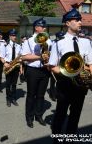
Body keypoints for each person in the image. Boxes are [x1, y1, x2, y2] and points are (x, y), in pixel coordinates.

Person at [48, 8, 92, 143]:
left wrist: (88, 75)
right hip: (65, 85)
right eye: (76, 20)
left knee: (75, 115)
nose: (80, 22)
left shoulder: (86, 42)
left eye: (80, 20)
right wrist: (67, 71)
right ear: (67, 23)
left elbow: (90, 64)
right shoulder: (58, 43)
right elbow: (52, 66)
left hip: (81, 86)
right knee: (60, 114)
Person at [21, 18, 52, 128]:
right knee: (31, 95)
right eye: (42, 27)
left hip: (44, 70)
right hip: (32, 71)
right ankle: (29, 117)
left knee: (41, 95)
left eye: (44, 27)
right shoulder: (29, 41)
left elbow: (51, 54)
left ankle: (38, 115)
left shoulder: (48, 40)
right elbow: (24, 57)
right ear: (36, 28)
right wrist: (40, 56)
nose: (44, 28)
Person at [1, 29, 21, 107]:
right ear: (9, 36)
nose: (14, 37)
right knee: (8, 84)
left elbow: (20, 56)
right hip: (8, 65)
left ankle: (13, 98)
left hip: (16, 66)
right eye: (13, 35)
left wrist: (20, 61)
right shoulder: (5, 46)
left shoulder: (18, 46)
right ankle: (8, 99)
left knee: (14, 84)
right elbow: (1, 57)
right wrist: (5, 63)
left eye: (15, 35)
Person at [48, 31, 65, 102]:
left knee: (60, 81)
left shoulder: (63, 44)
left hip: (62, 66)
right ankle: (52, 95)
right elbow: (50, 55)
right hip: (55, 65)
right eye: (60, 38)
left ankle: (58, 94)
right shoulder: (53, 44)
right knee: (53, 82)